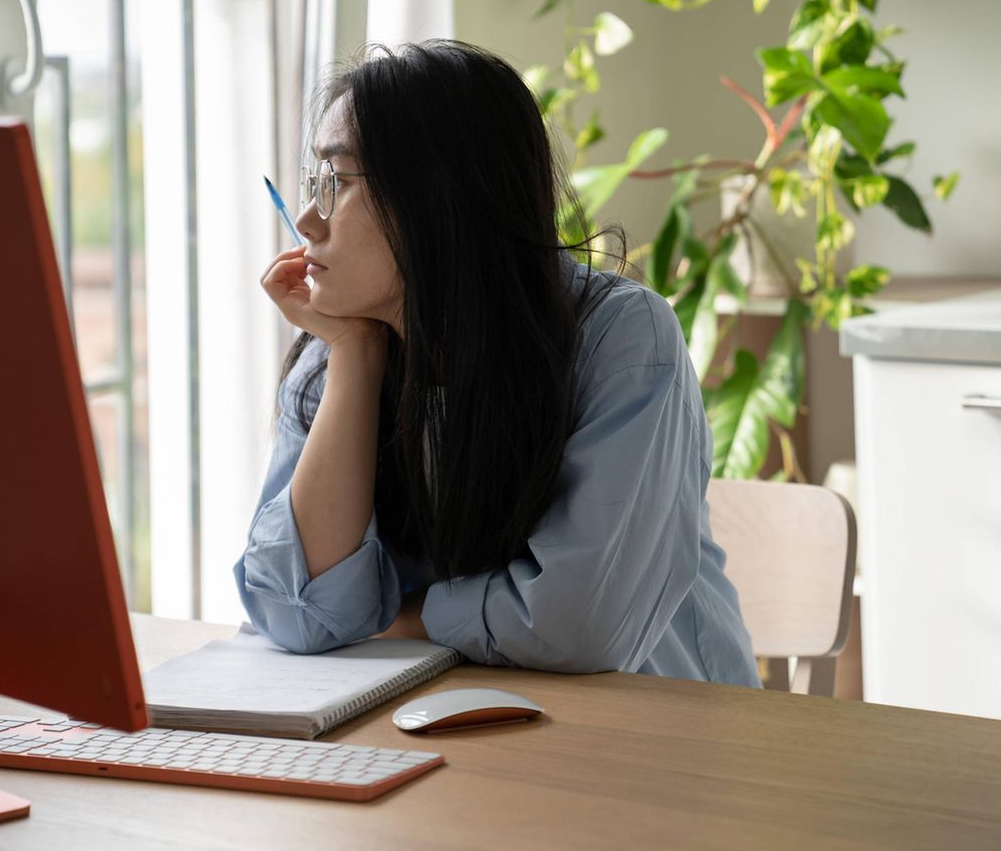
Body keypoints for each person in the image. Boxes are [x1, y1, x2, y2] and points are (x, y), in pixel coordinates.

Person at [234, 39, 760, 688]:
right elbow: (294, 612)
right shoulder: (340, 347)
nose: (309, 220)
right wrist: (355, 356)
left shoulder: (622, 338)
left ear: (440, 196)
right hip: (461, 724)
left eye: (337, 183)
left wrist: (411, 614)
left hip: (658, 737)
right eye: (314, 183)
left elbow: (578, 622)